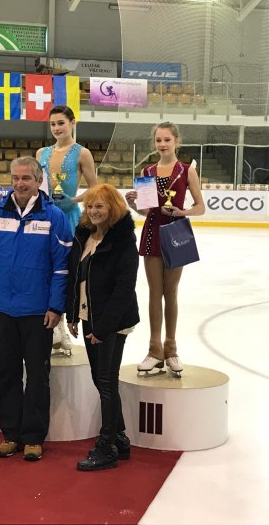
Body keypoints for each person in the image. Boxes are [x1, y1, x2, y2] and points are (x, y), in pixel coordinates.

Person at [0, 156, 72, 462]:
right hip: (4, 307)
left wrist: (56, 306)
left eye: (26, 178)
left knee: (38, 376)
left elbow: (62, 267)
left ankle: (33, 437)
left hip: (38, 311)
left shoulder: (54, 217)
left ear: (39, 181)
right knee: (8, 373)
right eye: (15, 178)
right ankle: (11, 434)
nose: (19, 183)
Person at [66, 184, 140, 471]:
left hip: (111, 322)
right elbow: (76, 277)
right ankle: (119, 438)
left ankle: (107, 445)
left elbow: (124, 290)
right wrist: (73, 314)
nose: (94, 211)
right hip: (90, 317)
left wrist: (103, 329)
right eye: (90, 206)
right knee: (101, 380)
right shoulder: (84, 235)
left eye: (100, 206)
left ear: (113, 208)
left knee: (106, 382)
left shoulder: (122, 241)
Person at [125, 122, 205, 374]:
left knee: (170, 292)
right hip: (152, 233)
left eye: (167, 140)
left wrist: (182, 212)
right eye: (159, 140)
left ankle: (171, 348)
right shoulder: (147, 171)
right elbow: (146, 210)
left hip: (176, 233)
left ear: (176, 141)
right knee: (154, 292)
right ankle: (154, 349)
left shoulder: (186, 170)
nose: (162, 144)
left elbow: (200, 207)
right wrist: (133, 205)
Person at [36, 105, 97, 353]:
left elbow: (95, 188)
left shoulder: (83, 153)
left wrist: (74, 200)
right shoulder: (41, 153)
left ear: (72, 123)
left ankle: (63, 324)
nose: (56, 128)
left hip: (69, 218)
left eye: (61, 123)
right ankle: (53, 325)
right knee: (45, 269)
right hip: (44, 216)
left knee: (66, 271)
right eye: (52, 124)